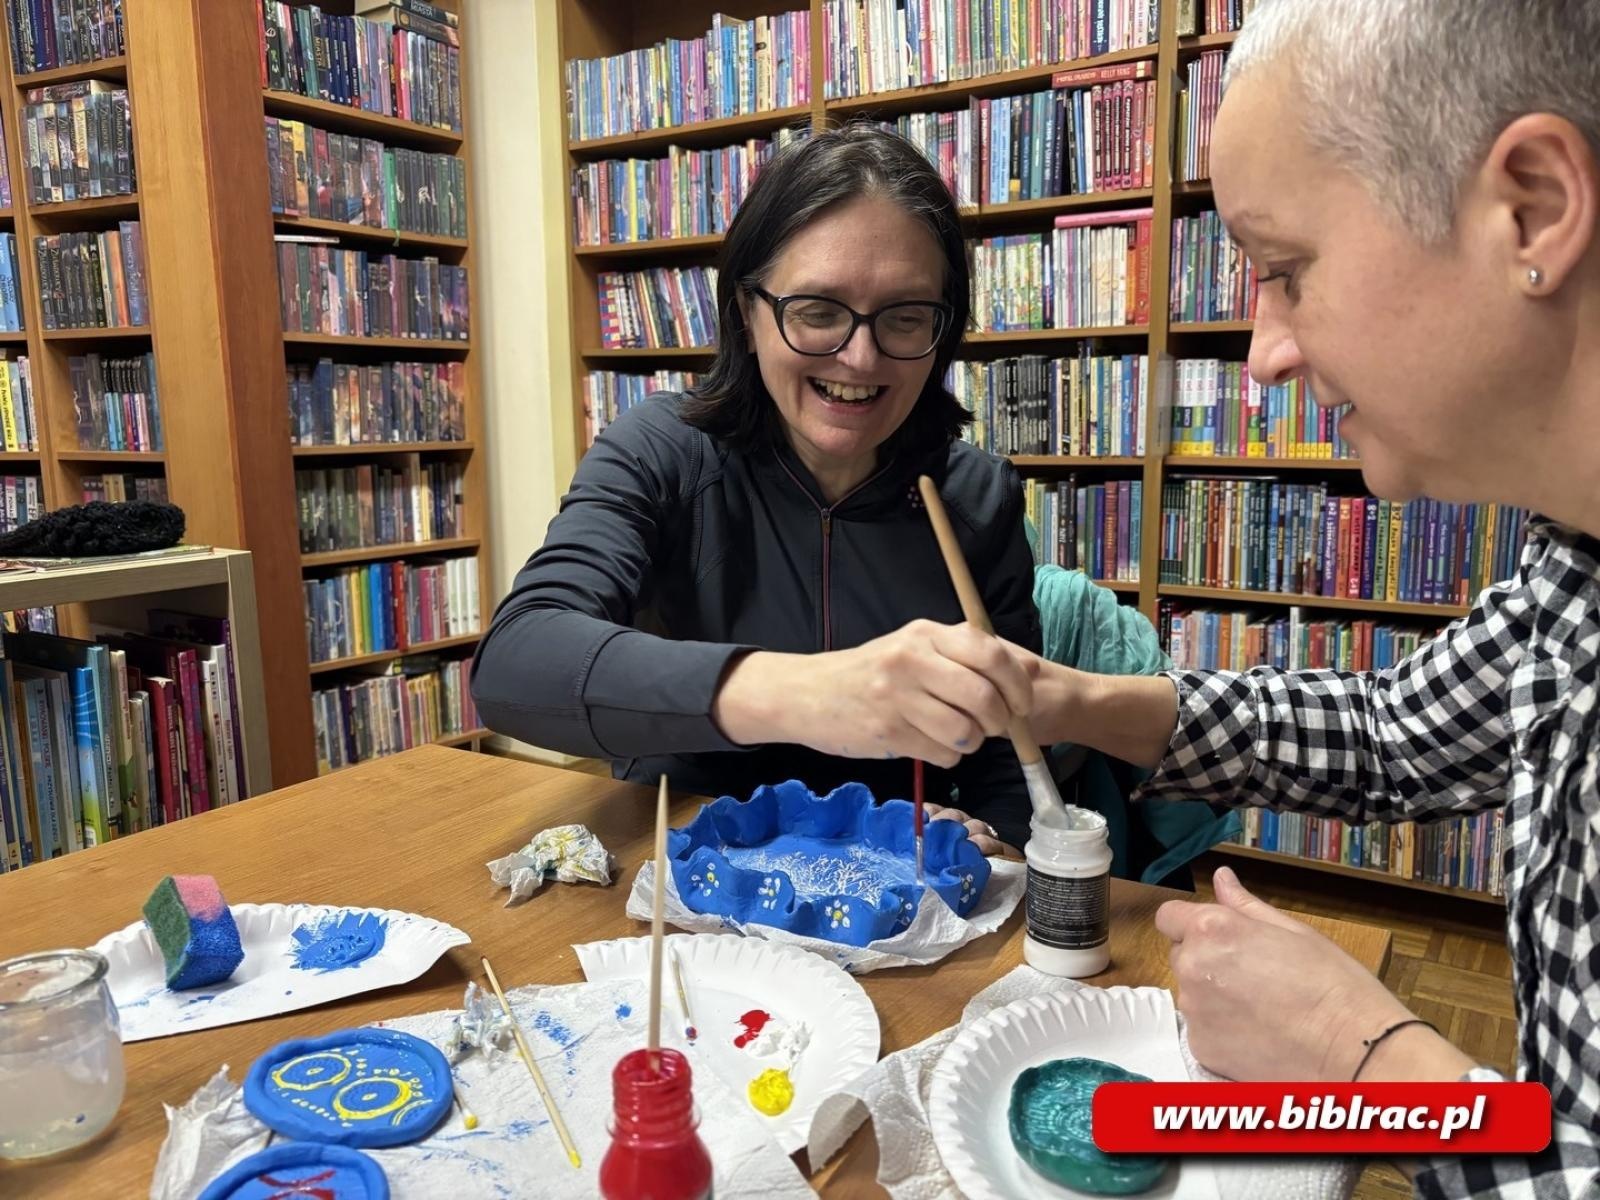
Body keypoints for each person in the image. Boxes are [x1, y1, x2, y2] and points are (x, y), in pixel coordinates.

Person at [1000, 1, 1600, 1194]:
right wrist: (1076, 701)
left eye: (1284, 270)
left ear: (1531, 205)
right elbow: (1394, 736)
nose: (1263, 351)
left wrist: (1356, 1055)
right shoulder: (1572, 561)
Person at [471, 124, 1041, 852]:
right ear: (747, 312)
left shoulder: (977, 497)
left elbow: (1012, 755)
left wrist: (992, 838)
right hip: (676, 885)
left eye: (904, 317)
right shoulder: (662, 452)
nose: (859, 356)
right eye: (817, 311)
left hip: (888, 899)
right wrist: (807, 695)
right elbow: (517, 663)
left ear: (945, 327)